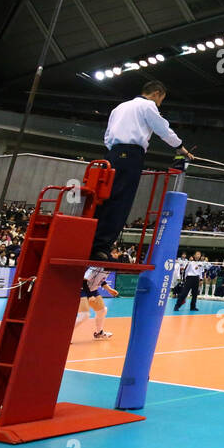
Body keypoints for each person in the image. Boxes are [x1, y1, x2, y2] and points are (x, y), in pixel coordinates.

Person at [91, 81, 194, 260]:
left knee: (104, 199)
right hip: (130, 156)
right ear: (156, 94)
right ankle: (100, 248)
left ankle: (91, 242)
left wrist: (115, 151)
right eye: (161, 99)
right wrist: (180, 147)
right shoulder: (148, 106)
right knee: (120, 202)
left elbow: (107, 136)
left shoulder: (120, 107)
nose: (160, 104)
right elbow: (163, 129)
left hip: (111, 155)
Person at [74, 265, 119, 340]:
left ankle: (99, 333)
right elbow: (83, 280)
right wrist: (90, 295)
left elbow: (101, 280)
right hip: (81, 289)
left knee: (102, 310)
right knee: (84, 315)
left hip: (93, 290)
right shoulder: (95, 268)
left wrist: (109, 289)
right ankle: (64, 334)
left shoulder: (108, 268)